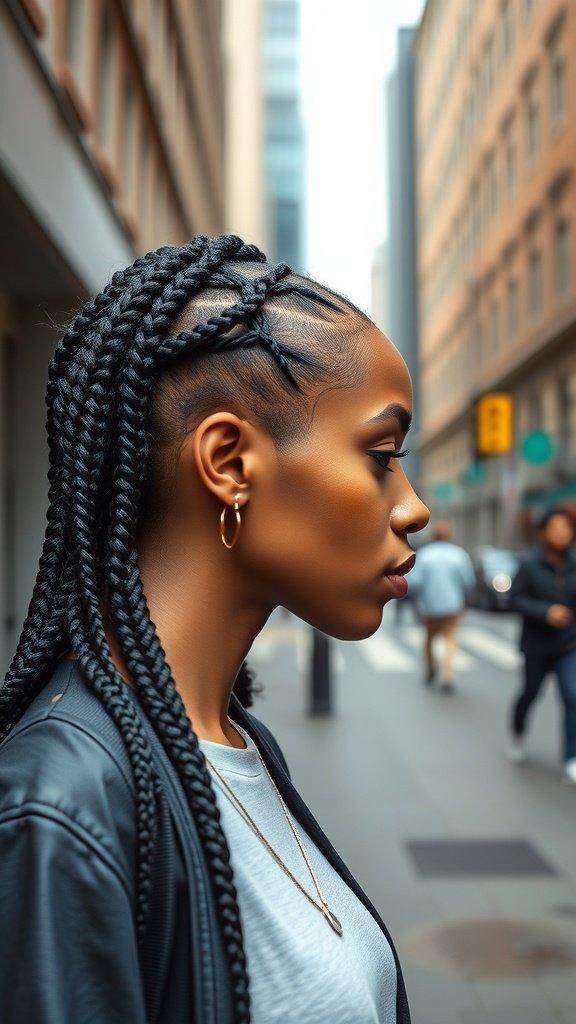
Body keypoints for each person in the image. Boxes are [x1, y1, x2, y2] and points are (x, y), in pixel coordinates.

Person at [0, 235, 429, 1024]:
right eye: (380, 455)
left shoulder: (239, 743)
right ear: (229, 462)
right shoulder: (59, 809)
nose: (413, 506)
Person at [508, 507, 576, 784]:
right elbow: (515, 599)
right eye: (556, 528)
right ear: (543, 532)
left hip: (568, 645)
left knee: (573, 696)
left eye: (567, 529)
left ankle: (571, 758)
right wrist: (545, 612)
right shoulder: (529, 563)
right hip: (536, 645)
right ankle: (518, 733)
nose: (562, 534)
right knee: (530, 693)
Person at [408, 521, 474, 694]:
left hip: (429, 606)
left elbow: (415, 582)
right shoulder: (458, 554)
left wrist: (417, 603)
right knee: (450, 639)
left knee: (429, 639)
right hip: (452, 604)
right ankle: (447, 675)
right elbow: (468, 582)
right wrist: (466, 601)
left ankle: (431, 670)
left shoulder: (425, 555)